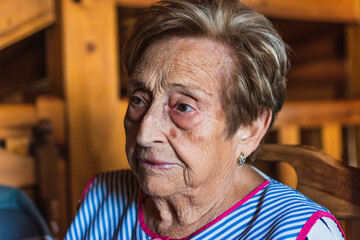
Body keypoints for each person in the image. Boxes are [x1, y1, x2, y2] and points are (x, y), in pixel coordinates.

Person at [65, 0, 345, 239]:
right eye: (139, 99)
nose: (144, 133)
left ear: (250, 128)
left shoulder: (294, 231)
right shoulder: (101, 199)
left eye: (184, 107)